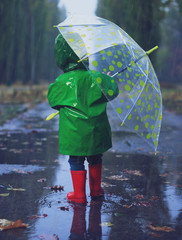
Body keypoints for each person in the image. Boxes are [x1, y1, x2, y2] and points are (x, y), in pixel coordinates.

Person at [47, 34, 118, 204]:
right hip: (96, 130)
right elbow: (112, 91)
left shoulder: (62, 81)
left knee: (76, 160)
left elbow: (53, 100)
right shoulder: (96, 77)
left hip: (74, 132)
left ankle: (79, 194)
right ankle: (95, 189)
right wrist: (108, 79)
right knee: (95, 157)